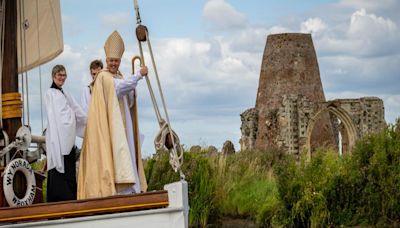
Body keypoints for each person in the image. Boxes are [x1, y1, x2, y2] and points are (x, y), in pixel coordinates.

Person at [77, 30, 148, 200]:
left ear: (119, 61)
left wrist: (132, 91)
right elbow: (118, 89)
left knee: (128, 151)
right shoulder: (103, 77)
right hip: (109, 126)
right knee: (115, 153)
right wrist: (138, 75)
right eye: (111, 61)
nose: (113, 64)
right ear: (106, 61)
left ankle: (132, 189)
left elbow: (128, 100)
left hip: (124, 125)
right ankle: (118, 190)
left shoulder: (120, 76)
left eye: (116, 61)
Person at [45, 64, 86, 202]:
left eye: (64, 75)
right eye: (59, 75)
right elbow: (60, 115)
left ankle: (70, 197)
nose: (62, 78)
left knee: (68, 168)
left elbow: (76, 108)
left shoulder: (65, 93)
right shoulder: (51, 93)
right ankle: (58, 199)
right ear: (53, 76)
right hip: (58, 136)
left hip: (66, 137)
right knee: (58, 166)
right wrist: (73, 116)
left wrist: (89, 120)